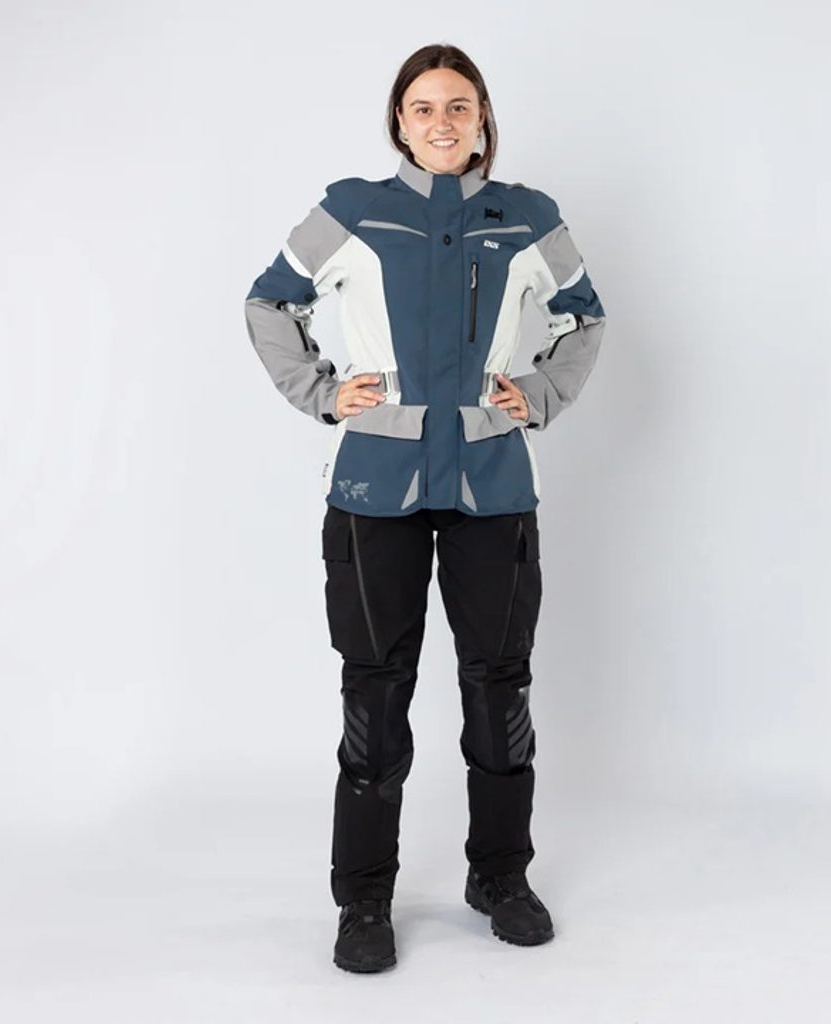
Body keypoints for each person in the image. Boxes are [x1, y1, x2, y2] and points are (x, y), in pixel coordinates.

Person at [243, 43, 607, 973]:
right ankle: (363, 900)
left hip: (492, 486)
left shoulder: (527, 217)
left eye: (458, 106)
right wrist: (323, 392)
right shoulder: (352, 211)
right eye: (422, 108)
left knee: (499, 688)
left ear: (483, 119)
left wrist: (542, 394)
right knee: (375, 693)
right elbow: (270, 303)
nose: (441, 123)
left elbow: (586, 315)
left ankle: (501, 877)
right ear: (398, 123)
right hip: (377, 488)